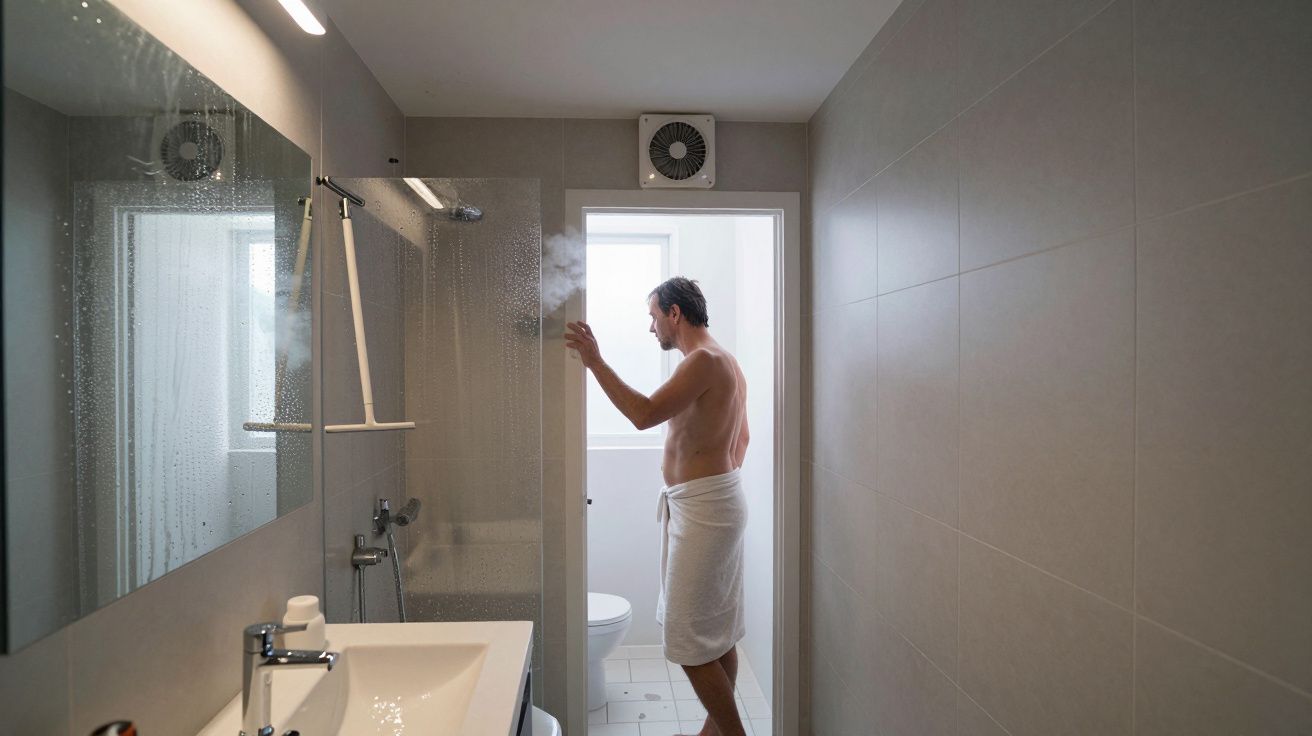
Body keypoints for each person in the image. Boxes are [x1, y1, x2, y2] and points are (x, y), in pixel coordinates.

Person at [565, 276, 749, 736]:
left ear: (674, 313)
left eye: (653, 317)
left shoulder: (703, 360)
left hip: (705, 510)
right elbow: (742, 439)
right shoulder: (725, 361)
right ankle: (715, 730)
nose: (651, 329)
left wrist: (595, 361)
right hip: (711, 504)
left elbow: (643, 414)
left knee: (686, 637)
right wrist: (712, 482)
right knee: (716, 629)